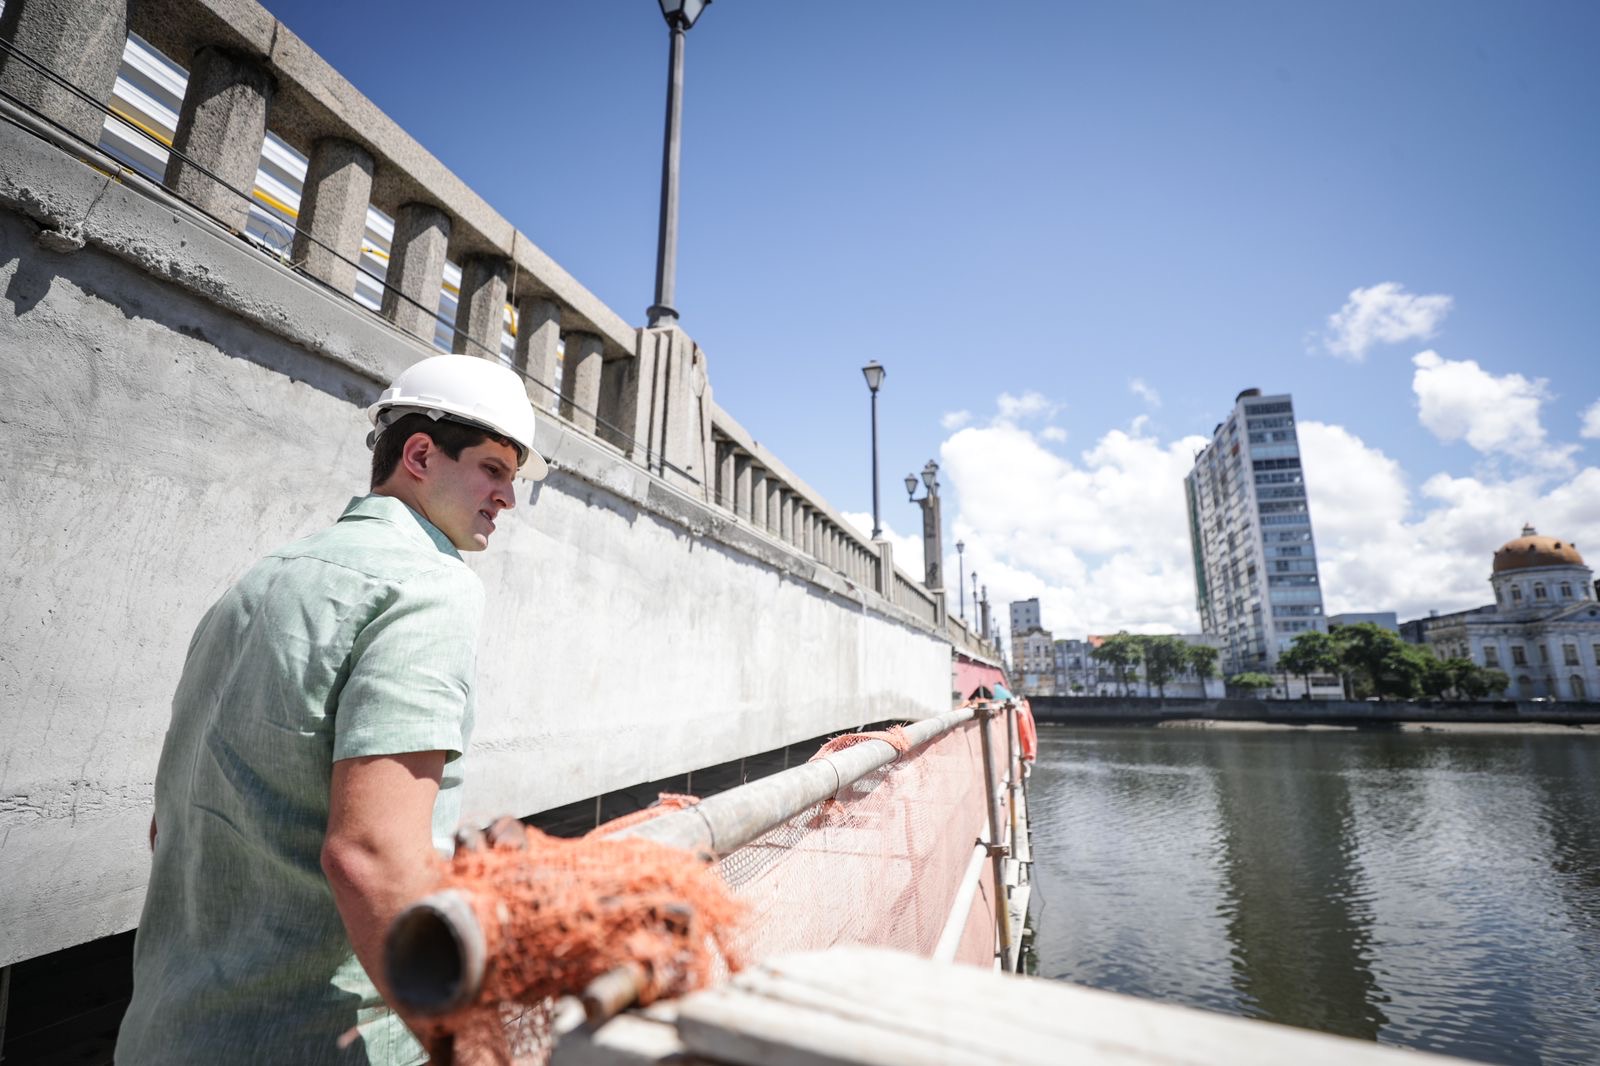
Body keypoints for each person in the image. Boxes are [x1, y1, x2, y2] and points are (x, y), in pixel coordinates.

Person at [116, 355, 549, 1065]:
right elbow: (369, 854)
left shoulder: (260, 581)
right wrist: (470, 1046)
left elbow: (174, 826)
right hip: (321, 1044)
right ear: (418, 453)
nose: (507, 497)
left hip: (164, 1035)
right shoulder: (430, 587)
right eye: (495, 469)